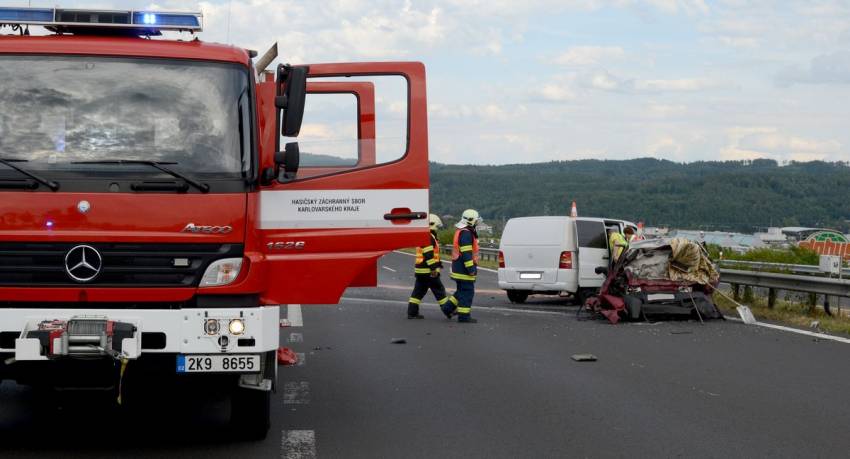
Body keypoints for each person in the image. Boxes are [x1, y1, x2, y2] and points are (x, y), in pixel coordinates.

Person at [407, 214, 449, 319]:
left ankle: (412, 313)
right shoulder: (428, 236)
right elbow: (428, 254)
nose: (438, 229)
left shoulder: (424, 235)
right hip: (428, 271)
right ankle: (449, 311)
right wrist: (433, 268)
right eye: (437, 226)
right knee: (439, 290)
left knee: (418, 292)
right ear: (432, 224)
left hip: (420, 270)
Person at [443, 209, 480, 323]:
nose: (477, 223)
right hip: (464, 270)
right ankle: (464, 316)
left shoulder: (462, 231)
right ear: (470, 221)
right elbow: (466, 253)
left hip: (458, 268)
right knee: (468, 292)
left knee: (461, 292)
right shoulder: (466, 233)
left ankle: (447, 308)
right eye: (476, 220)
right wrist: (471, 269)